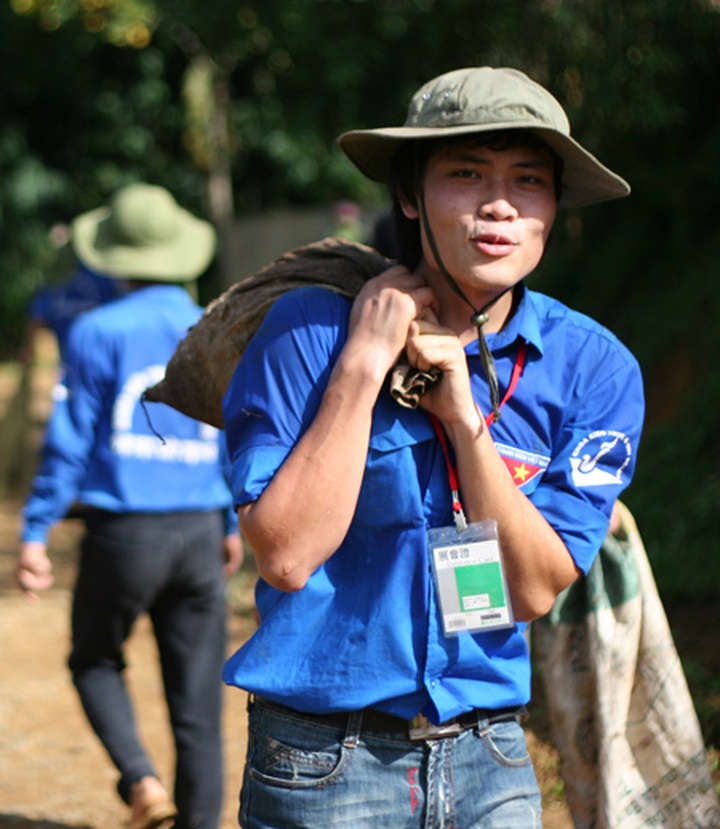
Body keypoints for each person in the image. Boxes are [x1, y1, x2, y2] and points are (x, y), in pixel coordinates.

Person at [221, 66, 644, 828]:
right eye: (466, 174)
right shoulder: (310, 333)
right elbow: (284, 555)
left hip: (494, 761)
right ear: (411, 196)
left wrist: (463, 421)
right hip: (322, 765)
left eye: (529, 180)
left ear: (554, 209)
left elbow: (531, 589)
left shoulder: (595, 368)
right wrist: (361, 362)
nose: (500, 205)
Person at [16, 183, 244, 829]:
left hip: (123, 534)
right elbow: (231, 434)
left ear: (111, 256)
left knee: (93, 658)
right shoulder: (212, 322)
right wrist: (230, 522)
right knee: (198, 704)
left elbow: (69, 442)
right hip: (200, 531)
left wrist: (35, 530)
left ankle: (141, 780)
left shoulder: (94, 331)